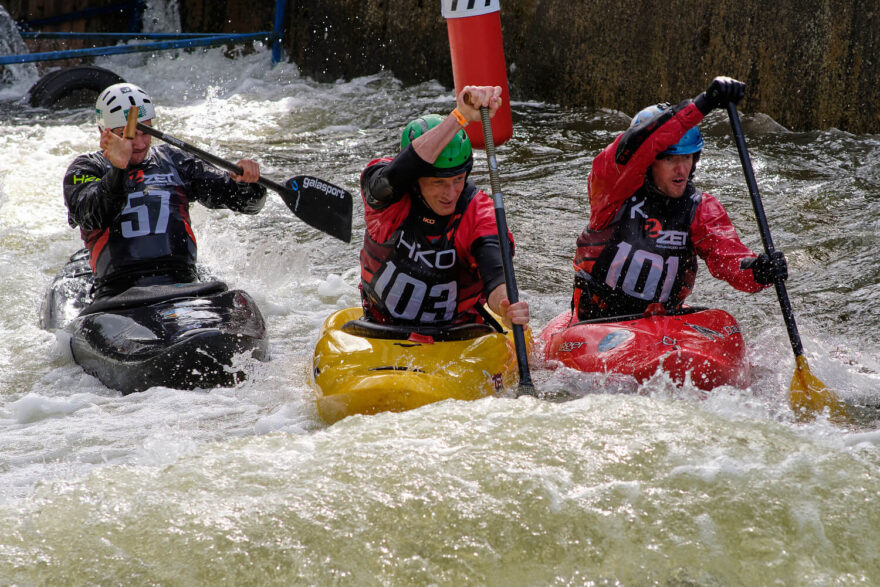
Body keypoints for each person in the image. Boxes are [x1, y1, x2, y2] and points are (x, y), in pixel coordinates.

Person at [572, 76, 788, 320]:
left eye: (686, 157)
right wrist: (703, 104)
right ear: (648, 162)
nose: (681, 169)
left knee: (724, 322)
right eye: (669, 159)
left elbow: (727, 259)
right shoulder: (612, 190)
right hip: (598, 321)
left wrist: (758, 271)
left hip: (663, 321)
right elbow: (639, 146)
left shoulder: (700, 208)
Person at [63, 83, 267, 300]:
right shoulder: (86, 168)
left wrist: (246, 183)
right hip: (117, 293)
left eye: (145, 132)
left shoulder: (174, 160)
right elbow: (92, 215)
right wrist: (118, 169)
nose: (139, 143)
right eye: (127, 135)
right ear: (105, 134)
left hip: (182, 285)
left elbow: (245, 203)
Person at [359, 85, 529, 329]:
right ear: (415, 180)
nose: (450, 194)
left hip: (458, 333)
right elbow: (394, 176)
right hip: (380, 327)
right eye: (438, 182)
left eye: (457, 180)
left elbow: (495, 272)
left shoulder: (478, 212)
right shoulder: (386, 195)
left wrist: (505, 306)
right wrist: (460, 117)